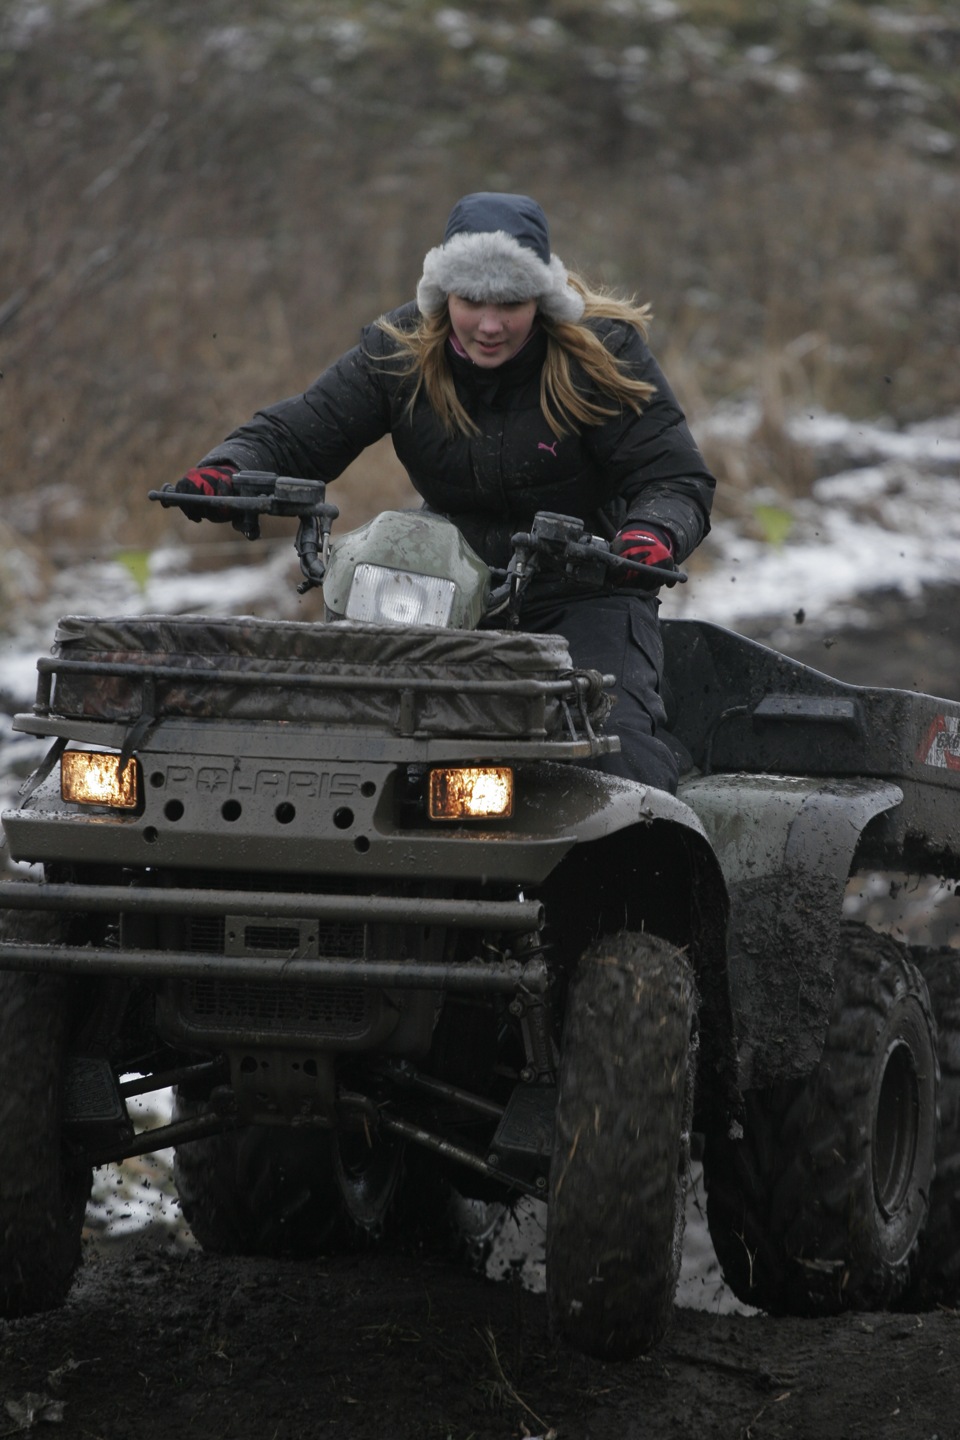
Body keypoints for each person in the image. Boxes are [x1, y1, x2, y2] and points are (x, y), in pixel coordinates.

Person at [172, 192, 715, 793]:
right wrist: (228, 468)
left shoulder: (599, 352)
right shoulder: (400, 349)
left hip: (585, 592)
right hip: (437, 590)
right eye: (471, 300)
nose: (489, 324)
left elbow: (673, 477)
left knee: (608, 748)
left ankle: (643, 872)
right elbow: (300, 429)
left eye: (509, 302)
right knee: (349, 733)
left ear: (540, 297)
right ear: (443, 296)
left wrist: (650, 536)